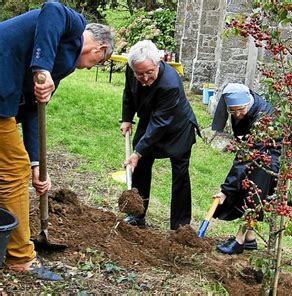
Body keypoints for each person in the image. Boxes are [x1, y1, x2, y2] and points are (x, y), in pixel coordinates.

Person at [0, 2, 114, 281]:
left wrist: (38, 163)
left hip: (6, 96)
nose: (90, 68)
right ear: (98, 49)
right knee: (14, 169)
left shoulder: (61, 67)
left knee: (19, 165)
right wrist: (42, 66)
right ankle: (20, 258)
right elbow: (51, 8)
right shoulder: (73, 29)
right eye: (96, 63)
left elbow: (32, 111)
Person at [121, 40, 200, 230]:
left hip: (177, 128)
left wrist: (138, 151)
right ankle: (137, 215)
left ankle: (180, 226)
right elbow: (129, 94)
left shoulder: (170, 83)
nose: (145, 78)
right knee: (140, 167)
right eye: (140, 74)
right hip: (151, 120)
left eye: (150, 72)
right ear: (133, 69)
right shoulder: (132, 71)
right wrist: (127, 118)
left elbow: (161, 123)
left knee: (180, 175)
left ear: (158, 64)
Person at [211, 83, 279, 255]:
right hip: (255, 151)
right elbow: (244, 150)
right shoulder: (241, 110)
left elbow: (246, 156)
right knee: (247, 188)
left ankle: (240, 240)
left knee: (253, 196)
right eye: (232, 111)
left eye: (240, 110)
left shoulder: (262, 118)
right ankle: (249, 239)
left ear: (248, 103)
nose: (237, 114)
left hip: (271, 155)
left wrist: (226, 190)